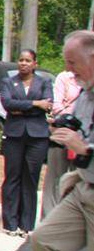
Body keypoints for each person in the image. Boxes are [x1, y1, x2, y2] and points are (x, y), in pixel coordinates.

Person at [31, 30, 94, 251]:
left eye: (73, 62)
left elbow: (87, 145)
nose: (69, 69)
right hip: (83, 188)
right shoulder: (86, 94)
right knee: (46, 241)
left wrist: (85, 151)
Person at [0, 49, 53, 236]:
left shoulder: (44, 82)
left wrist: (22, 107)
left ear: (34, 64)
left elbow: (48, 105)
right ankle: (10, 223)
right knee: (12, 176)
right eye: (21, 60)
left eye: (28, 60)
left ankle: (26, 224)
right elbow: (7, 104)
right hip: (14, 135)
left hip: (37, 137)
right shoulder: (8, 81)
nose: (23, 63)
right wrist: (35, 104)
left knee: (31, 177)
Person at [42, 66, 80, 217]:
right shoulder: (64, 78)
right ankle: (48, 219)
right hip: (62, 131)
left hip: (82, 137)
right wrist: (71, 117)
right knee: (55, 177)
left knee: (77, 179)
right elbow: (57, 106)